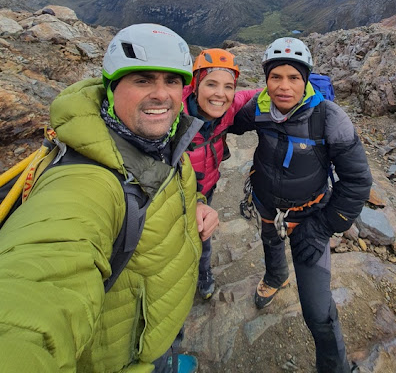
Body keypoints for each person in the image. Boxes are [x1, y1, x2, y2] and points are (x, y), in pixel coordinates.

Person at [0, 23, 219, 373]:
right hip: (122, 359)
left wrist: (194, 206)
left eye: (172, 81)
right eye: (143, 80)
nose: (162, 95)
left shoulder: (168, 142)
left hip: (153, 330)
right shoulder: (87, 182)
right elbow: (38, 288)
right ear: (111, 86)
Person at [230, 37, 372, 373]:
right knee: (270, 241)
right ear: (265, 79)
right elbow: (227, 123)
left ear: (305, 80)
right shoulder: (259, 108)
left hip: (310, 216)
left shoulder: (329, 118)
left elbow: (357, 180)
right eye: (275, 76)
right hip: (266, 202)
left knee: (317, 311)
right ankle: (276, 276)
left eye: (293, 77)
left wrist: (324, 226)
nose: (283, 86)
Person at [182, 48, 258, 299]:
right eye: (211, 84)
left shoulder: (229, 106)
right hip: (173, 195)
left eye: (228, 86)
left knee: (204, 235)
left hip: (207, 187)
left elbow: (256, 94)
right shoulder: (172, 112)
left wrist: (306, 89)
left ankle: (203, 273)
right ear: (195, 84)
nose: (220, 94)